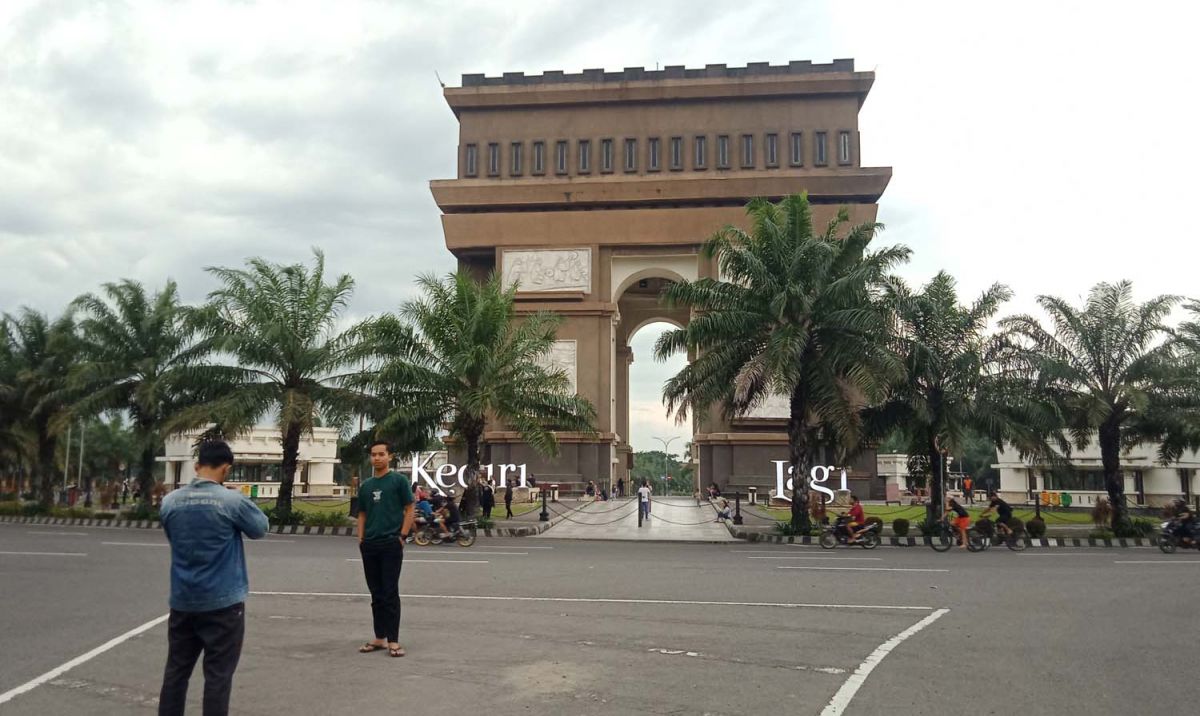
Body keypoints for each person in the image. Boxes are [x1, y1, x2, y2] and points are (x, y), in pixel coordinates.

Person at [158, 439, 268, 716]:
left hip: (183, 600)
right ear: (226, 469)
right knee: (218, 676)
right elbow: (259, 529)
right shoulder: (231, 501)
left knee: (176, 672)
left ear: (197, 466)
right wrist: (239, 496)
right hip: (223, 603)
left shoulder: (170, 502)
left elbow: (173, 537)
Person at [356, 440, 414, 658]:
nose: (377, 458)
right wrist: (361, 538)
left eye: (381, 454)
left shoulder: (398, 481)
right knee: (376, 593)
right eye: (373, 454)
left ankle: (393, 640)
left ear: (390, 456)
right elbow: (361, 513)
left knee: (390, 592)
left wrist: (402, 536)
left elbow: (409, 508)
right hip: (370, 545)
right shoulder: (366, 486)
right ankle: (379, 637)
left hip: (391, 543)